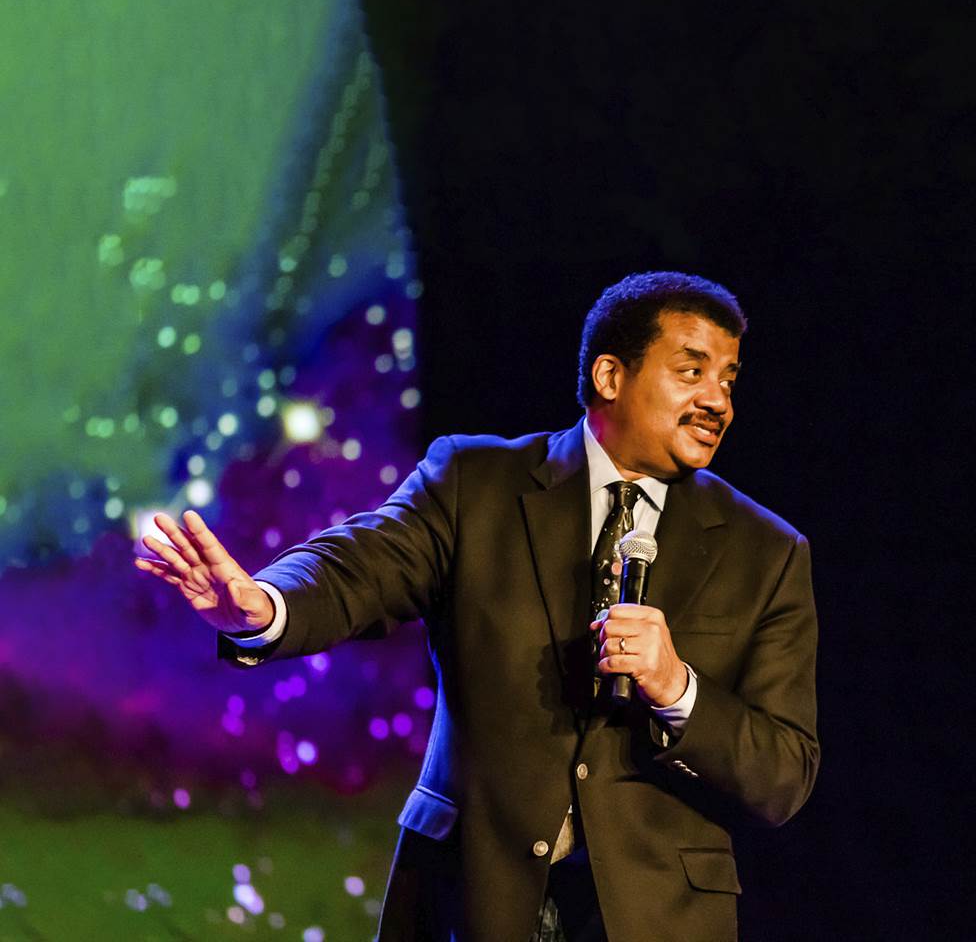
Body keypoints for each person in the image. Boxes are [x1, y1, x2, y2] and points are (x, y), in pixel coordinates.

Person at [135, 271, 819, 942]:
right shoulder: (475, 482)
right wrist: (265, 606)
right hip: (473, 900)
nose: (717, 401)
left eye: (728, 380)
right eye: (691, 371)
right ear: (610, 376)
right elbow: (359, 565)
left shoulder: (767, 553)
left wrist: (677, 690)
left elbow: (785, 772)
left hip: (655, 918)